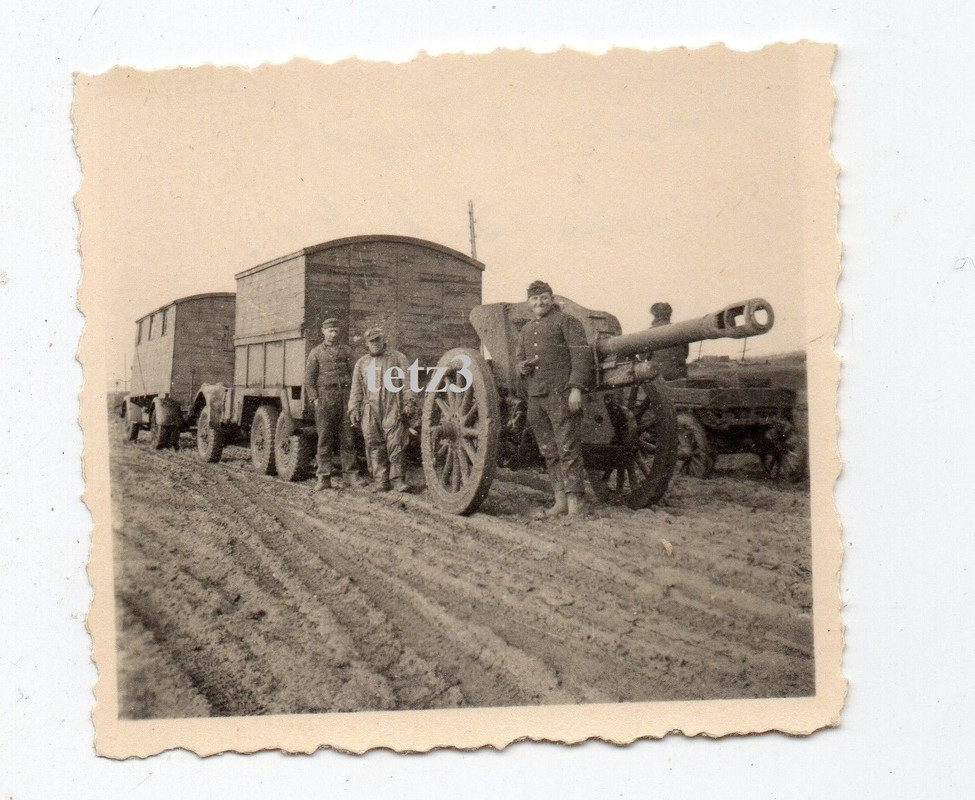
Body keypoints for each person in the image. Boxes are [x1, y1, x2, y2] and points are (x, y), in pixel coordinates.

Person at [515, 280, 594, 518]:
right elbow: (519, 359)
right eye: (535, 299)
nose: (539, 302)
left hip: (561, 395)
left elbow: (581, 356)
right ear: (529, 303)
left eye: (544, 298)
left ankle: (576, 505)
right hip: (536, 398)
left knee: (568, 448)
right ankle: (560, 502)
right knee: (549, 451)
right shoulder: (527, 330)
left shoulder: (566, 321)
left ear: (552, 299)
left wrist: (576, 388)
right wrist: (522, 368)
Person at [348, 327, 417, 493]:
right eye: (371, 341)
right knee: (374, 444)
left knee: (396, 442)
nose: (375, 344)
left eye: (377, 340)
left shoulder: (398, 358)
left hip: (392, 406)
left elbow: (408, 383)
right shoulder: (362, 363)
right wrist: (354, 408)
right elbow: (356, 389)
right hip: (370, 409)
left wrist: (409, 402)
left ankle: (398, 480)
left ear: (383, 340)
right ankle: (381, 481)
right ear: (366, 343)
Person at [304, 317, 358, 491]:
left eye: (336, 331)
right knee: (324, 439)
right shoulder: (316, 352)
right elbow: (309, 379)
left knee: (348, 437)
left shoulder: (347, 351)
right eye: (330, 331)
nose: (333, 334)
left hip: (345, 396)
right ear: (323, 331)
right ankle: (323, 478)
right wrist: (315, 399)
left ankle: (351, 476)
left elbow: (356, 375)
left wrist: (354, 399)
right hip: (325, 397)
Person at [648, 302, 689, 380]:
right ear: (669, 314)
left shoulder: (648, 333)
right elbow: (685, 354)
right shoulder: (680, 331)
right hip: (679, 375)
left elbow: (643, 357)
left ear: (654, 315)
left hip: (658, 376)